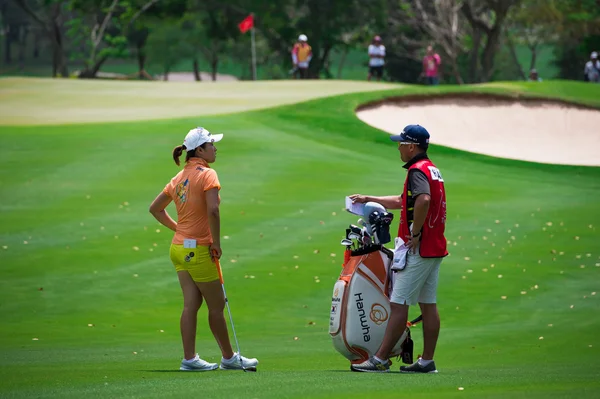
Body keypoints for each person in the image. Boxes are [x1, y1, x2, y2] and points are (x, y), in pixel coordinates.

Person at [149, 127, 259, 371]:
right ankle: (229, 358)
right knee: (217, 306)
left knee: (191, 305)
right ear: (200, 149)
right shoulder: (208, 175)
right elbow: (213, 210)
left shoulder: (178, 178)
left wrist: (180, 229)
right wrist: (216, 243)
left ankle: (189, 359)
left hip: (178, 249)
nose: (215, 148)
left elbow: (155, 209)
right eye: (211, 144)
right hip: (199, 250)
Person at [348, 124, 448, 373]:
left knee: (398, 304)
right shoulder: (431, 169)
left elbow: (423, 200)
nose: (399, 148)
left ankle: (379, 359)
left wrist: (415, 233)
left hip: (418, 248)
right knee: (428, 305)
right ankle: (426, 361)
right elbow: (405, 201)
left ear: (412, 146)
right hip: (433, 249)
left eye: (401, 143)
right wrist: (370, 199)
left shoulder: (416, 171)